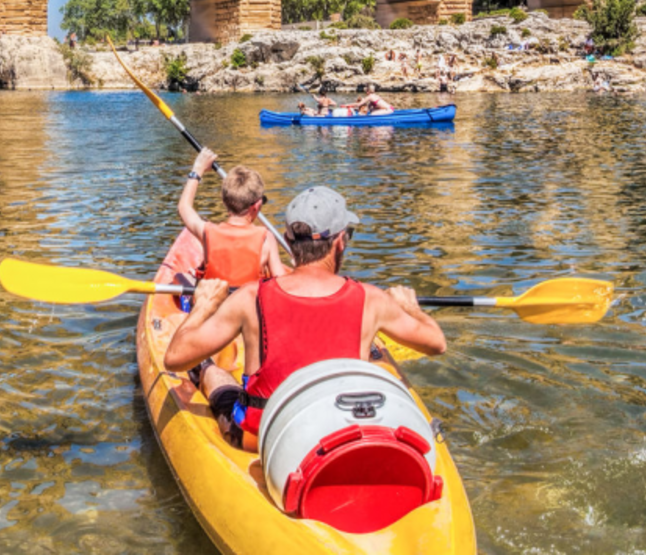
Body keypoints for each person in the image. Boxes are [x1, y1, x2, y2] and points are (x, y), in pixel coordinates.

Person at [165, 187, 446, 450]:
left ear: (287, 240)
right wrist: (411, 307)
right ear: (341, 241)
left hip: (263, 440)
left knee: (215, 373)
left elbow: (175, 358)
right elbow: (436, 344)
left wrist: (203, 304)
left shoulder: (250, 297)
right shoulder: (372, 299)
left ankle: (206, 370)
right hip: (339, 433)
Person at [177, 148, 287, 287]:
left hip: (215, 306)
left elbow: (184, 208)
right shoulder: (266, 238)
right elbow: (282, 283)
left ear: (224, 201)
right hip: (247, 307)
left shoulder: (207, 232)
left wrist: (197, 170)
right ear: (257, 205)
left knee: (179, 277)